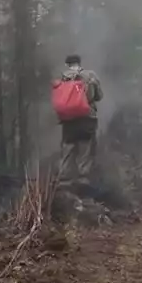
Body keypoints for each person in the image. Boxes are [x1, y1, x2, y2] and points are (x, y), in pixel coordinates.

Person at [54, 54, 103, 190]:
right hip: (87, 118)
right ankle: (83, 178)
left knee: (68, 148)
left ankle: (64, 180)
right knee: (85, 148)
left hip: (68, 120)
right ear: (79, 63)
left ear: (67, 64)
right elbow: (99, 96)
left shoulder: (62, 78)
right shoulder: (90, 75)